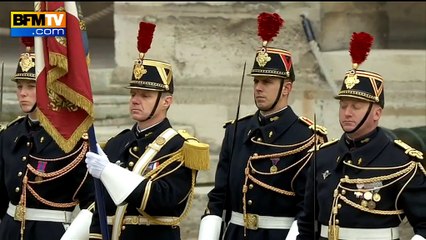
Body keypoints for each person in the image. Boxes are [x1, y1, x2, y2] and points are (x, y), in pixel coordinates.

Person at [74, 21, 210, 240]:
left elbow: (164, 200)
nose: (135, 100)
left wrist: (109, 172)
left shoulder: (179, 147)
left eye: (145, 96)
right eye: (133, 94)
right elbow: (97, 204)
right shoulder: (118, 143)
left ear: (167, 101)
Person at [198, 12, 328, 240]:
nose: (258, 88)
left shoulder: (307, 137)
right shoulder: (236, 131)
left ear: (286, 88)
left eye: (267, 82)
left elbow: (307, 210)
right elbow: (218, 197)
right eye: (256, 81)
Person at [296, 32, 426, 240]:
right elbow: (306, 221)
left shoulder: (401, 160)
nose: (347, 112)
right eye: (343, 105)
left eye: (356, 106)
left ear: (377, 113)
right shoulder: (323, 157)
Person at [0, 38, 95, 240]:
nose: (22, 94)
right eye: (19, 86)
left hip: (51, 232)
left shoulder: (71, 138)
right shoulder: (9, 134)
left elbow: (92, 202)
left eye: (30, 86)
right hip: (9, 231)